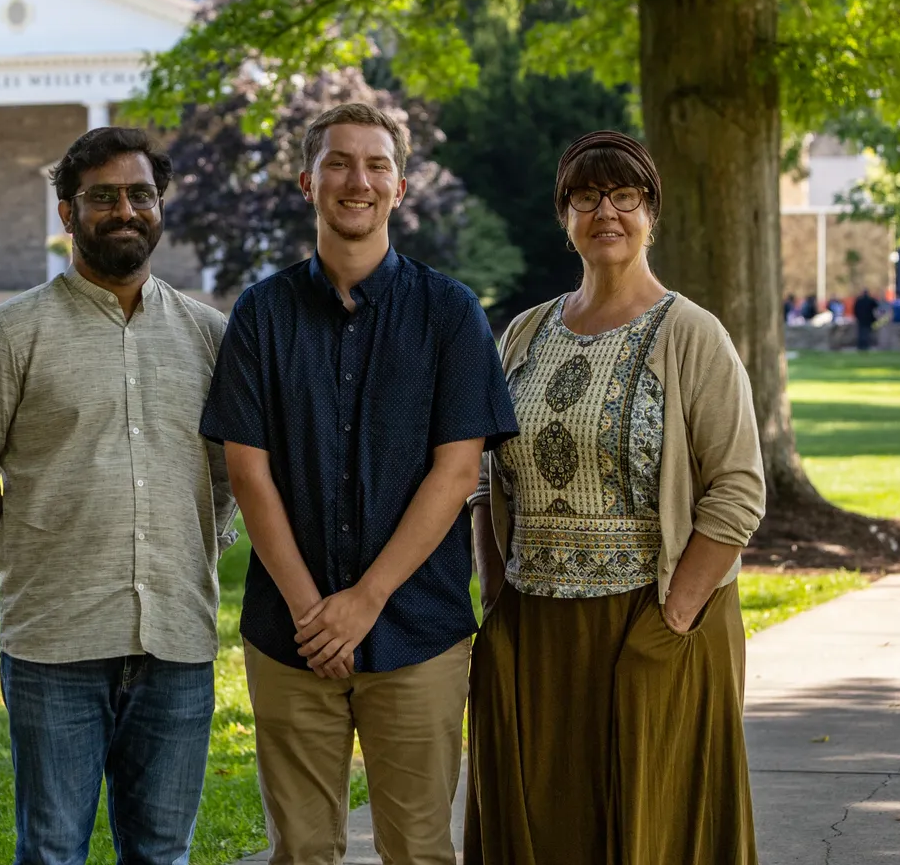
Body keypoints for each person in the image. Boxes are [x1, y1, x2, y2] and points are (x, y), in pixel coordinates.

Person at [199, 103, 518, 865]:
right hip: (289, 638)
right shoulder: (260, 313)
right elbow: (249, 472)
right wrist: (316, 614)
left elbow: (456, 473)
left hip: (416, 632)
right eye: (339, 162)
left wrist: (363, 604)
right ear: (308, 182)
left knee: (419, 851)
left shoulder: (449, 314)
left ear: (400, 188)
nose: (358, 180)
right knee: (301, 851)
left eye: (376, 165)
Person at [0, 126, 237, 865]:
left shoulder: (210, 336)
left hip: (177, 640)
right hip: (54, 643)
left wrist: (207, 539)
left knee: (163, 853)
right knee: (52, 852)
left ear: (160, 206)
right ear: (67, 213)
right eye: (102, 197)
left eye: (140, 195)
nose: (124, 210)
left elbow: (230, 471)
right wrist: (11, 549)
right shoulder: (11, 333)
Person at [465, 130, 765, 865]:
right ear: (563, 215)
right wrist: (497, 598)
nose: (607, 211)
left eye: (624, 195)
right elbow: (485, 478)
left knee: (649, 833)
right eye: (586, 196)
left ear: (650, 212)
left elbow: (738, 490)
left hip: (652, 620)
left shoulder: (693, 335)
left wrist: (673, 619)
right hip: (534, 629)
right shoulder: (523, 334)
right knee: (542, 827)